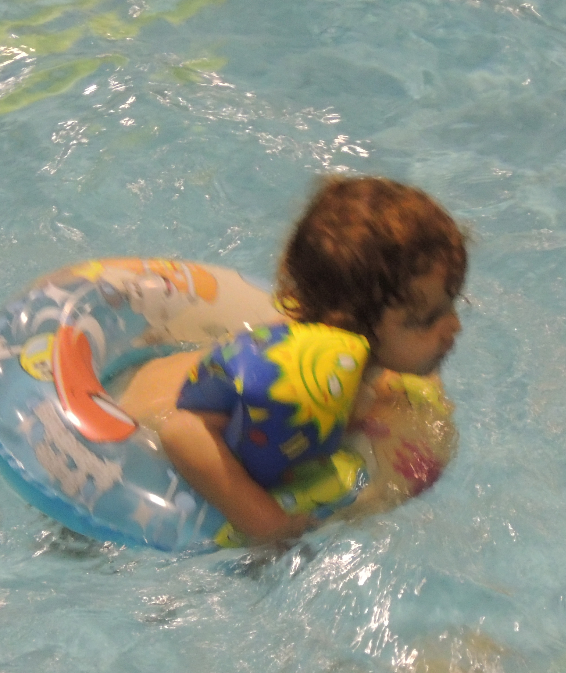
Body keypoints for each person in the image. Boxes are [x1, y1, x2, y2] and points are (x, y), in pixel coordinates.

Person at [117, 178, 466, 544]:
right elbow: (182, 431)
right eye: (427, 319)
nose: (454, 326)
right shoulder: (291, 381)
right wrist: (269, 525)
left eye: (452, 304)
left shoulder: (347, 359)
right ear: (351, 325)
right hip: (137, 443)